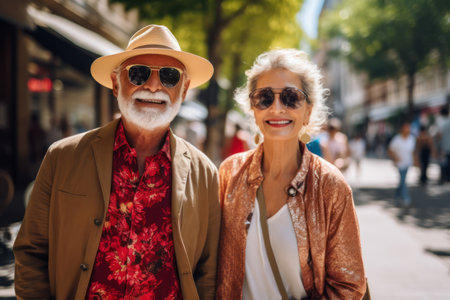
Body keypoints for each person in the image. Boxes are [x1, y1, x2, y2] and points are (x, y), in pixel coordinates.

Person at [13, 24, 221, 299]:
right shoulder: (62, 157)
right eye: (138, 73)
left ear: (183, 92)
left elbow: (208, 271)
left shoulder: (205, 173)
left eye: (170, 76)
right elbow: (31, 251)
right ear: (116, 84)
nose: (153, 85)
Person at [216, 49, 366, 299]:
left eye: (291, 98)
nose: (276, 108)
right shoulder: (229, 173)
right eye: (264, 97)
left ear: (308, 110)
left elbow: (349, 286)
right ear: (253, 108)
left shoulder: (330, 185)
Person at [387, 120, 416, 207]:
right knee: (403, 180)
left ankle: (397, 197)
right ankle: (406, 198)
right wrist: (395, 158)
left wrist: (415, 161)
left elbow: (412, 152)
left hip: (408, 163)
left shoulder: (411, 139)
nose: (408, 129)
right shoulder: (397, 139)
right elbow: (390, 150)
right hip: (399, 164)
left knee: (401, 181)